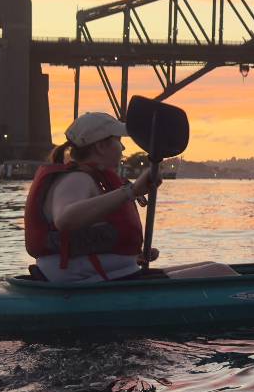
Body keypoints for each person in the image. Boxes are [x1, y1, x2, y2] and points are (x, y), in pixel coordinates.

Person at [23, 111, 163, 283]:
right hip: (78, 280)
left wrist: (134, 256)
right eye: (119, 141)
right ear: (101, 146)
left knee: (205, 268)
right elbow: (65, 219)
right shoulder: (77, 179)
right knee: (206, 272)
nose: (123, 148)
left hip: (98, 274)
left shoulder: (94, 178)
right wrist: (131, 191)